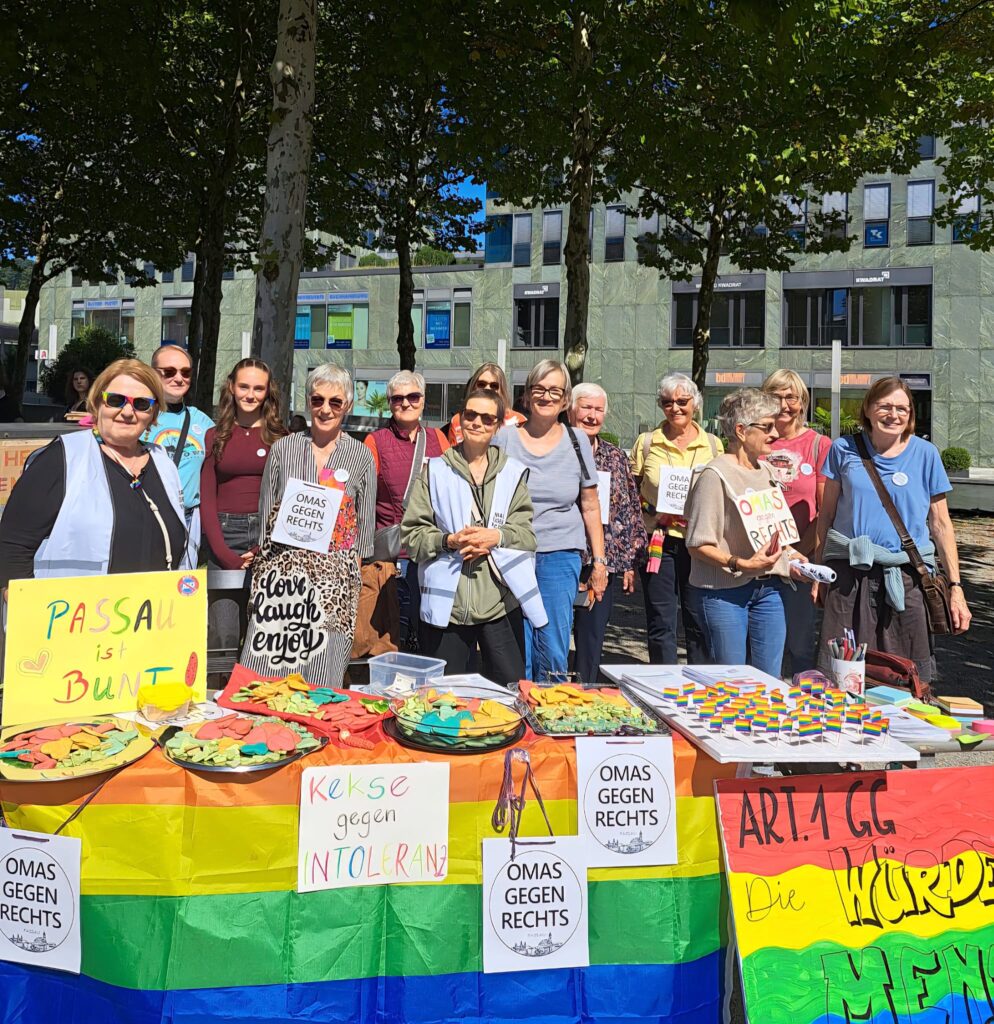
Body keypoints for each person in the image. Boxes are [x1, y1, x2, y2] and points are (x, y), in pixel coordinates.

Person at [814, 377, 971, 684]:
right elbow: (826, 516)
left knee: (907, 671)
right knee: (842, 669)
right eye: (884, 406)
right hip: (849, 574)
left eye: (902, 408)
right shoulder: (843, 449)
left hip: (908, 575)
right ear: (868, 409)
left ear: (911, 414)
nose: (893, 414)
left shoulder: (926, 454)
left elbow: (940, 524)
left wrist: (956, 587)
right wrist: (819, 574)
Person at [239, 365, 376, 685]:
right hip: (283, 582)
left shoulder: (360, 456)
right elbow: (265, 512)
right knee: (267, 674)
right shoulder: (283, 449)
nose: (325, 409)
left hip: (333, 588)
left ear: (348, 406)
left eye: (335, 402)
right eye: (317, 400)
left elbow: (364, 530)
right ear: (307, 401)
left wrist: (347, 575)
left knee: (321, 677)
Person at [0, 358, 190, 587]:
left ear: (154, 413)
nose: (128, 412)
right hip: (73, 616)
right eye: (116, 400)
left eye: (141, 404)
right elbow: (12, 545)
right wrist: (26, 608)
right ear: (97, 403)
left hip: (154, 615)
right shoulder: (64, 457)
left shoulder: (163, 463)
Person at [402, 388, 542, 682]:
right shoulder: (435, 471)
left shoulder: (513, 474)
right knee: (444, 699)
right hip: (447, 609)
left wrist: (495, 538)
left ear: (497, 425)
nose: (477, 422)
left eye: (487, 418)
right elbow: (412, 536)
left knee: (509, 694)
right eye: (470, 415)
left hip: (499, 605)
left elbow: (527, 536)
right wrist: (448, 541)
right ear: (460, 419)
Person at [492, 359, 607, 682]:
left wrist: (599, 562)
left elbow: (590, 504)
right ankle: (522, 708)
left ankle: (553, 707)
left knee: (554, 642)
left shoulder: (577, 440)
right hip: (513, 553)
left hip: (561, 553)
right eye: (539, 389)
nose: (546, 397)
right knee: (520, 641)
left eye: (554, 390)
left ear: (565, 398)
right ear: (527, 396)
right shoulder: (504, 439)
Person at [684, 389, 807, 677]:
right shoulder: (713, 476)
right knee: (732, 679)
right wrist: (741, 564)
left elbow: (772, 532)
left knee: (769, 679)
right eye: (767, 427)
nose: (775, 433)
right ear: (741, 431)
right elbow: (697, 544)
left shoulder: (765, 470)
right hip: (725, 593)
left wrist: (793, 557)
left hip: (769, 589)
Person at [631, 373, 723, 665]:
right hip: (658, 541)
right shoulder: (647, 443)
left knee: (699, 618)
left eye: (682, 401)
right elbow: (631, 494)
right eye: (667, 402)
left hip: (701, 545)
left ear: (695, 403)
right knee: (661, 620)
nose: (675, 408)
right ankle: (662, 682)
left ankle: (699, 683)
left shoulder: (713, 445)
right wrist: (651, 512)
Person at [200, 359, 287, 649]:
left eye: (258, 388)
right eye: (244, 386)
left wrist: (263, 547)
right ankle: (221, 689)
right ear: (232, 388)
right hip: (224, 535)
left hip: (268, 538)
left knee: (263, 632)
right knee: (222, 633)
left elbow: (285, 498)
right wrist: (225, 554)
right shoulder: (215, 436)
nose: (251, 395)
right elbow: (207, 497)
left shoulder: (282, 439)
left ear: (268, 392)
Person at [364, 370, 450, 649]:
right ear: (389, 403)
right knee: (395, 634)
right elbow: (363, 499)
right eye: (398, 398)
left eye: (413, 396)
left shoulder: (439, 439)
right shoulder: (375, 442)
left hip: (432, 551)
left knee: (429, 631)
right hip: (393, 555)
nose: (406, 403)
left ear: (423, 401)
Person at [568, 383, 645, 683]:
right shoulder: (556, 450)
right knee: (553, 636)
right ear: (571, 409)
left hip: (602, 563)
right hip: (560, 557)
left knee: (591, 640)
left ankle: (583, 694)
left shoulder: (615, 457)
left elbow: (628, 510)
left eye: (598, 409)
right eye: (586, 407)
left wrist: (627, 563)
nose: (592, 415)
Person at [761, 370, 829, 673]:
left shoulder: (818, 445)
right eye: (776, 396)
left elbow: (825, 510)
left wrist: (798, 556)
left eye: (792, 397)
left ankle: (804, 712)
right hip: (759, 560)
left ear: (802, 403)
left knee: (801, 647)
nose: (784, 404)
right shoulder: (754, 441)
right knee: (761, 645)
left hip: (800, 560)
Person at [145, 344, 214, 564]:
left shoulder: (202, 421)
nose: (179, 378)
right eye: (169, 372)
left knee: (182, 590)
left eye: (185, 372)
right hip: (147, 514)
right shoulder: (137, 415)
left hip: (188, 518)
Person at [448, 363, 525, 443]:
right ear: (473, 387)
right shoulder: (458, 420)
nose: (487, 389)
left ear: (502, 390)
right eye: (481, 384)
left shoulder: (518, 421)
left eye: (494, 386)